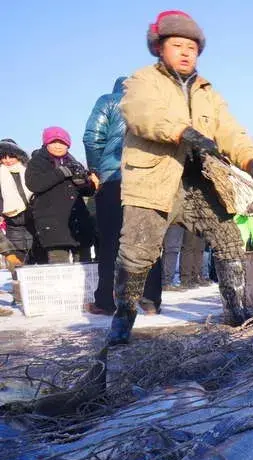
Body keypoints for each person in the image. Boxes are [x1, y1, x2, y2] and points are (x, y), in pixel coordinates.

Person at [109, 10, 253, 345]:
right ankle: (123, 316)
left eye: (192, 48)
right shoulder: (142, 81)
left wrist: (251, 158)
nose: (186, 53)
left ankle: (236, 311)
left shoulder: (207, 91)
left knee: (229, 240)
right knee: (137, 252)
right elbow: (141, 114)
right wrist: (183, 132)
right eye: (178, 45)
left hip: (200, 182)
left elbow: (229, 129)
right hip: (154, 180)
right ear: (159, 48)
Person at [83, 77, 163, 316]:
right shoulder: (151, 106)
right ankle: (150, 301)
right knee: (148, 239)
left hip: (114, 178)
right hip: (146, 180)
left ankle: (106, 301)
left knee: (110, 241)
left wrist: (96, 169)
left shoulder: (108, 101)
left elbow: (92, 138)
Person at [25, 127, 98, 264]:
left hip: (78, 221)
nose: (58, 146)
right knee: (59, 264)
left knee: (85, 263)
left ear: (68, 145)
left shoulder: (74, 163)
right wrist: (61, 173)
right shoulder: (37, 162)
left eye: (62, 143)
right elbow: (34, 184)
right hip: (52, 222)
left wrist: (86, 183)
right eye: (54, 142)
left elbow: (87, 192)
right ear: (46, 143)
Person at [0, 139, 35, 264]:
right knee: (19, 269)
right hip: (13, 230)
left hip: (36, 226)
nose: (7, 160)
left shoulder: (30, 172)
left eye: (11, 156)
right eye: (3, 157)